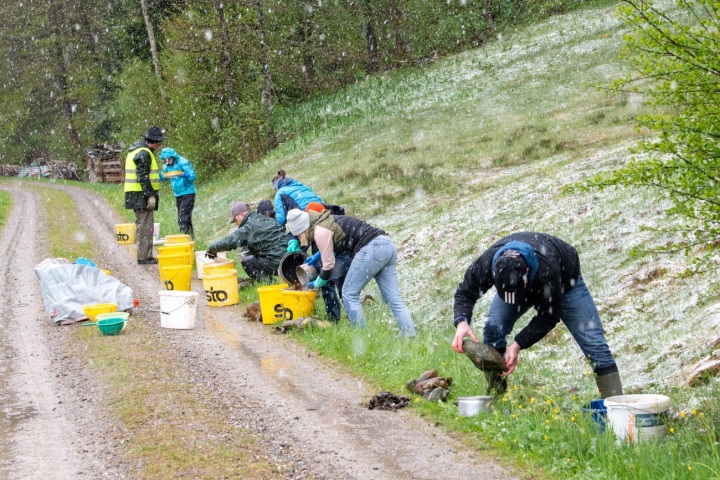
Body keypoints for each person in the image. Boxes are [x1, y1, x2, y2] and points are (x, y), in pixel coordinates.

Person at [451, 232, 623, 398]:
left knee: (595, 345)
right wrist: (462, 321)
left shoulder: (548, 270)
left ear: (527, 270)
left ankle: (616, 411)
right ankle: (497, 397)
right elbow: (465, 292)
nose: (513, 301)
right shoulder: (488, 263)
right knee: (494, 328)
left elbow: (549, 316)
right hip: (523, 281)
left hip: (565, 283)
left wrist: (518, 344)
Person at [286, 208, 416, 337]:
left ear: (302, 229)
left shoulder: (319, 231)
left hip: (371, 248)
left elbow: (328, 266)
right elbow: (336, 243)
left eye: (298, 235)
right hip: (386, 245)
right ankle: (409, 335)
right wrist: (317, 256)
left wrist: (317, 283)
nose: (298, 237)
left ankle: (362, 338)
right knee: (393, 298)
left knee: (349, 293)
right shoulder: (326, 220)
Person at [206, 202, 286, 283]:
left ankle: (270, 285)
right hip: (288, 259)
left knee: (247, 261)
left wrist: (212, 249)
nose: (236, 223)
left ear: (242, 215)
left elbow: (229, 241)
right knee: (248, 250)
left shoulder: (249, 227)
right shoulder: (267, 219)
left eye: (235, 219)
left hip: (275, 263)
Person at [300, 202, 350, 322]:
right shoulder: (332, 219)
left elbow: (329, 261)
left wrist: (319, 281)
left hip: (343, 255)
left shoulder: (320, 228)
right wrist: (318, 255)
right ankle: (351, 317)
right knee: (345, 288)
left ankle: (334, 319)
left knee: (328, 282)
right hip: (347, 253)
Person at [124, 126, 164, 265]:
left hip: (135, 193)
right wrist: (150, 195)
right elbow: (143, 176)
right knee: (145, 226)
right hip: (140, 194)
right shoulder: (144, 153)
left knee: (143, 225)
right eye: (160, 143)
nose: (160, 146)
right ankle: (144, 257)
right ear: (154, 141)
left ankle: (144, 255)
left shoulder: (136, 150)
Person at [271, 170, 324, 242]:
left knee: (295, 235)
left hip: (308, 215)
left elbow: (281, 219)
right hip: (322, 209)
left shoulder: (280, 193)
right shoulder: (301, 185)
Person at [159, 147, 197, 239]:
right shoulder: (167, 165)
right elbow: (164, 178)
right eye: (165, 160)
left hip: (188, 193)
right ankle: (190, 238)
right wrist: (158, 176)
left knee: (183, 217)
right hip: (178, 194)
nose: (167, 162)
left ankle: (183, 238)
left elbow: (193, 176)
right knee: (185, 217)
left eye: (168, 159)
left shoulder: (183, 162)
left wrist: (183, 174)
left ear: (173, 157)